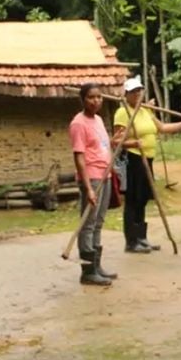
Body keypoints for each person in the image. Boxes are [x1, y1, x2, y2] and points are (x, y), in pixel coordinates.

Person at [113, 75, 181, 253]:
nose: (137, 94)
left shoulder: (145, 111)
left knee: (143, 198)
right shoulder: (123, 112)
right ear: (126, 94)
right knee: (133, 199)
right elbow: (116, 141)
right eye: (133, 91)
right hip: (132, 158)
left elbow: (162, 128)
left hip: (148, 159)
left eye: (139, 91)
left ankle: (142, 238)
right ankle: (131, 241)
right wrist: (132, 143)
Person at [69, 83, 116, 286]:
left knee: (98, 222)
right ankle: (87, 271)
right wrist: (88, 188)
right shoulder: (78, 124)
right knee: (88, 225)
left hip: (104, 175)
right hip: (92, 177)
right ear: (83, 99)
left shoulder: (98, 120)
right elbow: (79, 157)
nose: (96, 101)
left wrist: (115, 141)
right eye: (91, 97)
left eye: (99, 97)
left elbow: (102, 145)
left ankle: (96, 266)